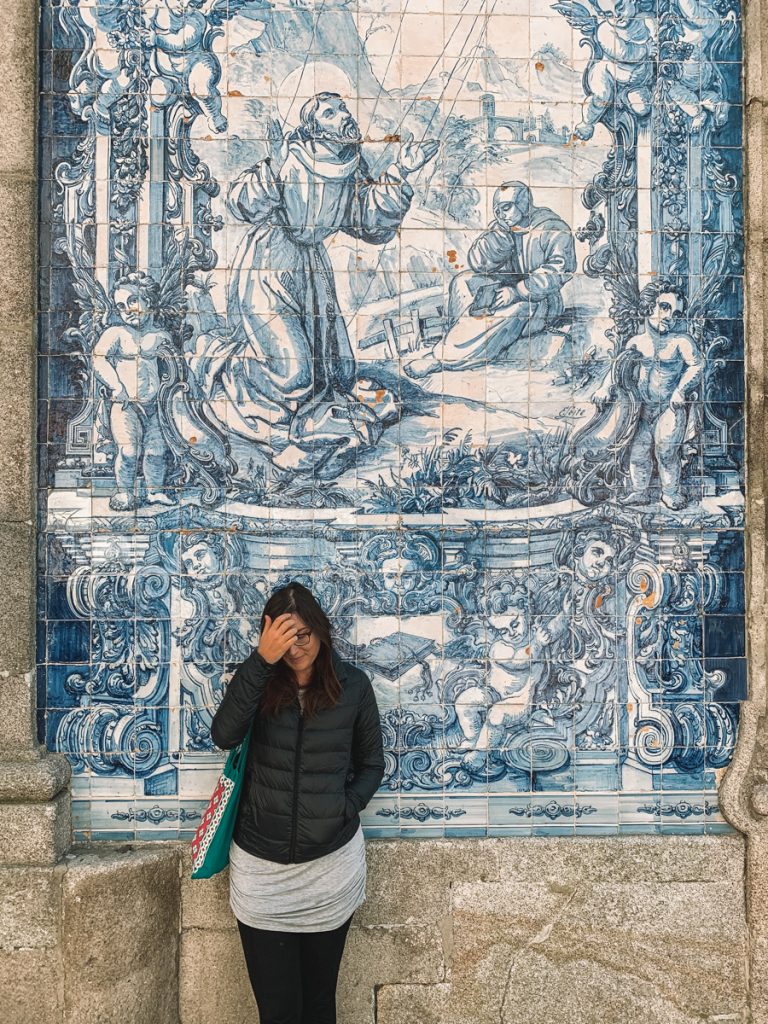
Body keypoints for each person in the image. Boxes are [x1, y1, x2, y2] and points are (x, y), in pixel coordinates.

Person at [193, 92, 438, 474]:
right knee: (294, 374)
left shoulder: (349, 163)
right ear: (312, 126)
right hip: (268, 268)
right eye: (331, 112)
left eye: (343, 109)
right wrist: (272, 169)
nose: (343, 116)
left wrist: (402, 172)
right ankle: (221, 365)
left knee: (337, 372)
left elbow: (369, 224)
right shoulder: (288, 157)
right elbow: (240, 204)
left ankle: (311, 422)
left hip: (311, 273)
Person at [210, 582, 385, 1024]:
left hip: (330, 870)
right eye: (284, 638)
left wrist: (342, 810)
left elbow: (372, 765)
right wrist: (259, 662)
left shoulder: (353, 687)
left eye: (303, 635)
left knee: (319, 1004)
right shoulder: (257, 681)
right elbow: (223, 735)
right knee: (279, 1011)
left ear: (321, 632)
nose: (295, 648)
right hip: (262, 874)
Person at [404, 182, 576, 378]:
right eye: (497, 210)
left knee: (518, 307)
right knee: (463, 281)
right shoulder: (504, 227)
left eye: (506, 207)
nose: (502, 214)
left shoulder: (553, 227)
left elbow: (559, 271)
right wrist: (501, 236)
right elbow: (478, 263)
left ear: (523, 203)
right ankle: (458, 337)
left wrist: (518, 291)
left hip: (541, 301)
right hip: (507, 289)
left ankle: (441, 359)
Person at [92, 272, 174, 511]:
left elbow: (173, 369)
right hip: (125, 405)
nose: (127, 309)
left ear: (148, 300)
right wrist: (117, 386)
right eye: (120, 306)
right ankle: (125, 493)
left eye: (132, 301)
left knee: (156, 453)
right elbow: (99, 359)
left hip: (156, 406)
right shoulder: (116, 333)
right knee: (128, 452)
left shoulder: (161, 336)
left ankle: (155, 492)